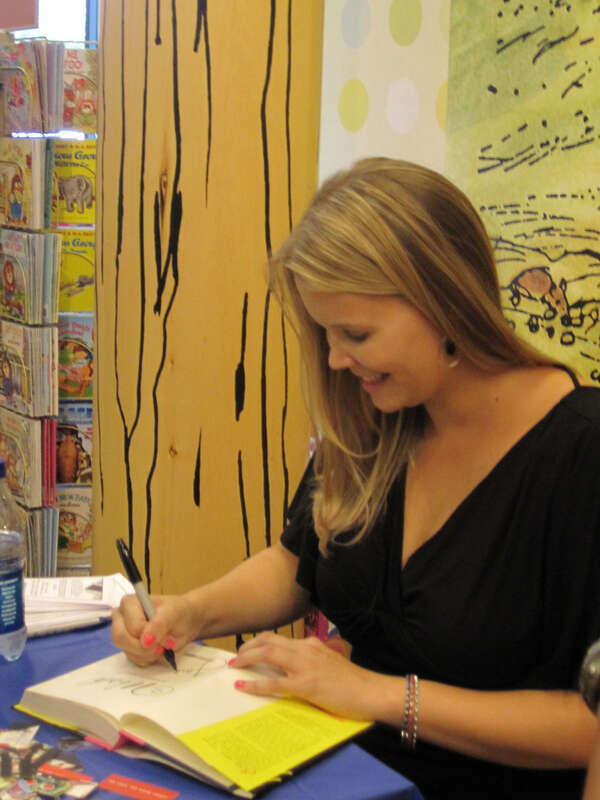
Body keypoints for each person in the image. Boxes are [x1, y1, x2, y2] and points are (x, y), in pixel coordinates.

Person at [112, 158, 600, 798]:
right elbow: (299, 563)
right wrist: (192, 612)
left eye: (357, 334)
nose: (339, 361)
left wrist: (376, 695)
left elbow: (584, 727)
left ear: (445, 301)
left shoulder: (579, 454)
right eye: (327, 335)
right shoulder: (379, 415)